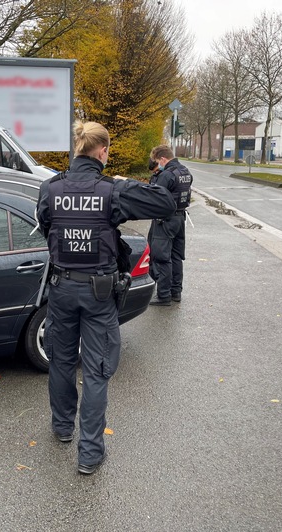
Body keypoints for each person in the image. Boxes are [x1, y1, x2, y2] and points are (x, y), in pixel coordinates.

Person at [36, 121, 175, 474]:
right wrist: (125, 185)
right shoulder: (112, 191)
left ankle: (62, 427)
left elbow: (47, 224)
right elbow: (165, 203)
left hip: (62, 287)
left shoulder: (49, 188)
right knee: (96, 372)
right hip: (98, 292)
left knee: (62, 360)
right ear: (103, 151)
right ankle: (90, 453)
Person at [147, 144, 193, 306]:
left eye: (157, 161)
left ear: (163, 159)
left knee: (162, 257)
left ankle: (164, 295)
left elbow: (154, 197)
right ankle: (176, 292)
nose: (156, 164)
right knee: (176, 256)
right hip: (180, 218)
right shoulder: (185, 171)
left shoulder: (167, 175)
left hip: (165, 220)